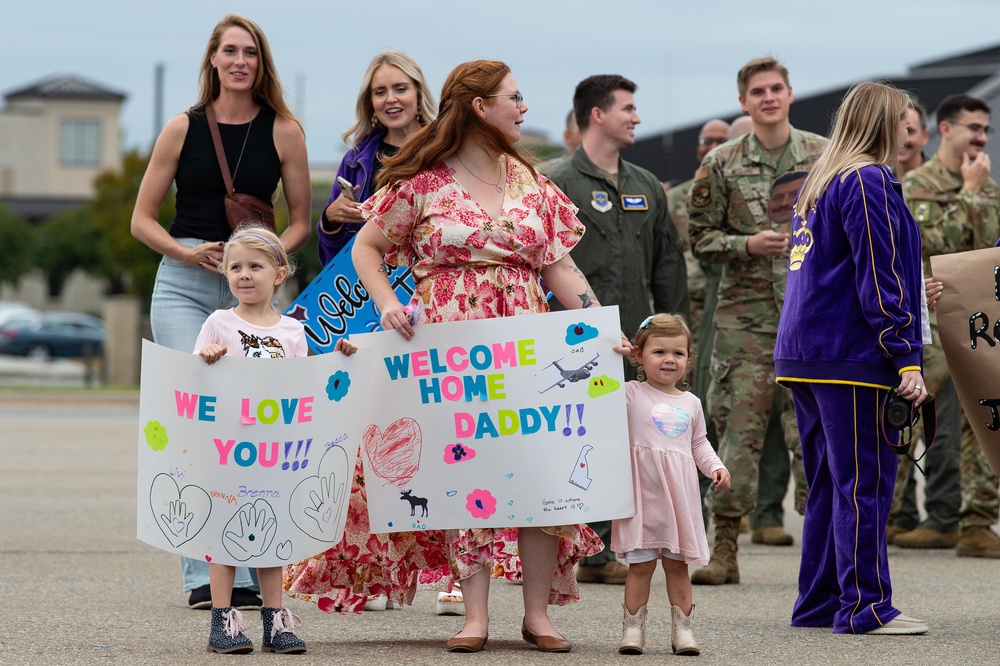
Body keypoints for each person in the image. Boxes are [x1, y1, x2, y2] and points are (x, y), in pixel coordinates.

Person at [130, 13, 311, 610]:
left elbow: (303, 222)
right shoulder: (182, 128)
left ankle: (259, 562)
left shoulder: (284, 129)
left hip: (257, 293)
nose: (240, 61)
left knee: (256, 422)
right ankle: (201, 577)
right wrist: (187, 251)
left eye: (250, 53)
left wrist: (257, 259)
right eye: (229, 51)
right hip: (183, 285)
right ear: (213, 59)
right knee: (197, 422)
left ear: (261, 63)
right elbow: (142, 219)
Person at [775, 80, 929, 635]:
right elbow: (877, 272)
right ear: (883, 123)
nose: (910, 135)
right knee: (864, 483)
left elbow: (840, 269)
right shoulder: (867, 178)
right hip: (850, 353)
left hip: (809, 352)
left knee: (830, 483)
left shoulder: (822, 180)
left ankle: (819, 603)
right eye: (905, 123)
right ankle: (865, 606)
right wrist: (905, 355)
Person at [687, 57, 826, 584]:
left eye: (777, 89)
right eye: (757, 92)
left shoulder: (822, 157)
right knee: (737, 437)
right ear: (744, 102)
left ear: (790, 94)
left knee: (812, 436)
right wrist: (745, 244)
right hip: (745, 323)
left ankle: (822, 553)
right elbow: (699, 239)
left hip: (809, 318)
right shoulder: (720, 163)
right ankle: (725, 548)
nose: (768, 98)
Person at [547, 73, 689, 587]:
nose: (637, 117)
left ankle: (614, 546)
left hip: (637, 342)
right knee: (573, 441)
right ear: (597, 114)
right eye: (628, 108)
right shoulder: (555, 183)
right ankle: (571, 546)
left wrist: (675, 337)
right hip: (571, 345)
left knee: (634, 442)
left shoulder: (646, 185)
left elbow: (668, 268)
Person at [197, 226, 353, 653]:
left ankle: (275, 621)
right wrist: (207, 357)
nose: (244, 275)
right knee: (224, 534)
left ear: (279, 273)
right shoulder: (218, 323)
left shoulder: (292, 332)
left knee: (272, 532)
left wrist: (341, 359)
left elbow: (305, 389)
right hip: (229, 450)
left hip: (275, 453)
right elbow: (194, 386)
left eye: (255, 266)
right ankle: (223, 623)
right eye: (235, 268)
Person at [898, 93, 1000, 556]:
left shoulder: (989, 187)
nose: (981, 139)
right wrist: (971, 195)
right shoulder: (916, 185)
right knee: (918, 419)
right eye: (973, 129)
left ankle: (977, 523)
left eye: (985, 131)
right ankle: (897, 513)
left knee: (984, 412)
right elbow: (934, 246)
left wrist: (979, 192)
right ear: (946, 129)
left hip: (979, 322)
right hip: (927, 322)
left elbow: (988, 250)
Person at [612, 314, 730, 655]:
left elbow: (699, 444)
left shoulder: (691, 403)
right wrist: (611, 355)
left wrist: (716, 467)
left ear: (688, 360)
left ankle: (684, 632)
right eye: (659, 351)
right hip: (642, 499)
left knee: (678, 566)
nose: (669, 359)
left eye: (678, 353)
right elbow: (594, 390)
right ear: (639, 355)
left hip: (678, 499)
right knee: (641, 565)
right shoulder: (630, 394)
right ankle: (633, 630)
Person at [316, 51, 437, 266]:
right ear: (371, 103)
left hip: (433, 284)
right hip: (373, 288)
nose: (391, 99)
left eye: (401, 89)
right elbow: (333, 260)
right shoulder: (355, 161)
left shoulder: (445, 151)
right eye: (380, 92)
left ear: (418, 94)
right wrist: (330, 221)